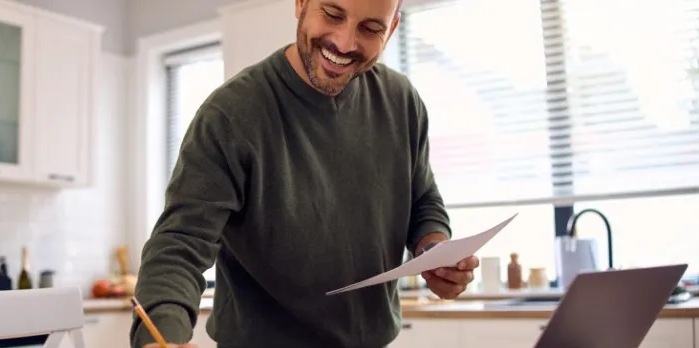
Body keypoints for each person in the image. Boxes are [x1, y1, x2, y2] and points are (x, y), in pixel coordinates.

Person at [131, 0, 480, 346]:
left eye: (371, 28)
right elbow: (181, 242)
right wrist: (161, 335)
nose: (345, 43)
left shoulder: (401, 100)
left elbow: (423, 198)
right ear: (301, 4)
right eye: (332, 14)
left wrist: (434, 251)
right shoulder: (231, 114)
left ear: (391, 30)